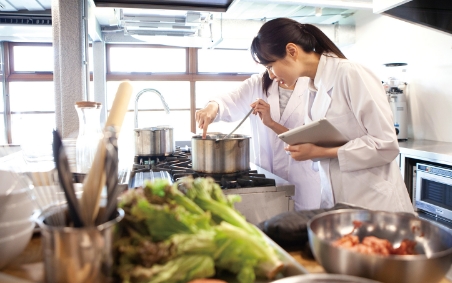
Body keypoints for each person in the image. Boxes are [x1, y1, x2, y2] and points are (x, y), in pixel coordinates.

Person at [250, 18, 414, 213]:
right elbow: (323, 139)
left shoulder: (350, 74)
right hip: (338, 201)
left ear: (292, 51)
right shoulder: (313, 87)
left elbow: (386, 144)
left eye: (270, 66)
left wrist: (319, 152)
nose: (270, 75)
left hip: (374, 202)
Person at [195, 70, 322, 211]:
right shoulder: (258, 84)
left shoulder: (314, 85)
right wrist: (212, 107)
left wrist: (271, 123)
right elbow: (231, 100)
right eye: (267, 66)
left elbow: (310, 139)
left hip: (305, 182)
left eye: (272, 64)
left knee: (302, 230)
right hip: (266, 181)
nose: (271, 74)